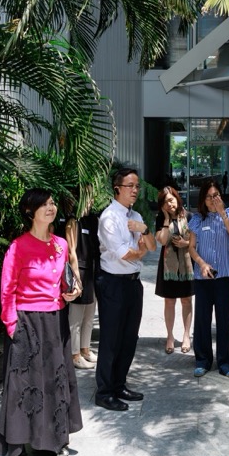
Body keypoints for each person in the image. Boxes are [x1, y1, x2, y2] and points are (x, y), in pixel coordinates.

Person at [0, 189, 84, 456]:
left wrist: (71, 293)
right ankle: (18, 452)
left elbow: (64, 281)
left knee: (52, 380)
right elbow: (7, 289)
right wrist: (12, 326)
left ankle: (50, 441)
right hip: (26, 322)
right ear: (30, 211)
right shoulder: (18, 247)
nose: (51, 208)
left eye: (52, 203)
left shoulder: (59, 244)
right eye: (45, 204)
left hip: (55, 319)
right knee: (24, 387)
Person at [95, 168, 155, 411]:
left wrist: (144, 231)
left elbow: (151, 244)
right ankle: (104, 391)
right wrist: (140, 250)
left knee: (130, 337)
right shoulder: (109, 218)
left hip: (133, 282)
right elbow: (126, 254)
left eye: (137, 186)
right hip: (113, 283)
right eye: (130, 186)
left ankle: (119, 384)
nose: (135, 190)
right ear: (117, 188)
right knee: (111, 338)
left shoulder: (136, 216)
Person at [188, 180, 229, 378]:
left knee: (223, 320)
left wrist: (223, 214)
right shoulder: (197, 220)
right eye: (209, 196)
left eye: (216, 195)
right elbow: (191, 247)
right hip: (203, 277)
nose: (212, 200)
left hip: (224, 277)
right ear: (203, 199)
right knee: (202, 320)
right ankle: (203, 359)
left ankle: (225, 362)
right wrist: (201, 263)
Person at [154, 186, 194, 354]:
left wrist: (186, 244)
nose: (169, 204)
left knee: (186, 300)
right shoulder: (160, 219)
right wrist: (165, 219)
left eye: (171, 199)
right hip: (168, 267)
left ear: (177, 198)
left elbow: (195, 240)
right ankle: (170, 336)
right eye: (165, 202)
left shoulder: (190, 216)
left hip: (186, 265)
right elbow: (162, 241)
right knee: (169, 301)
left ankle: (186, 335)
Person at [67, 201, 100, 369]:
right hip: (79, 270)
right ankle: (74, 354)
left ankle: (85, 349)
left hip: (92, 270)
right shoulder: (73, 221)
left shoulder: (93, 220)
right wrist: (76, 276)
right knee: (76, 317)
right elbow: (71, 250)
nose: (90, 201)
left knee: (89, 314)